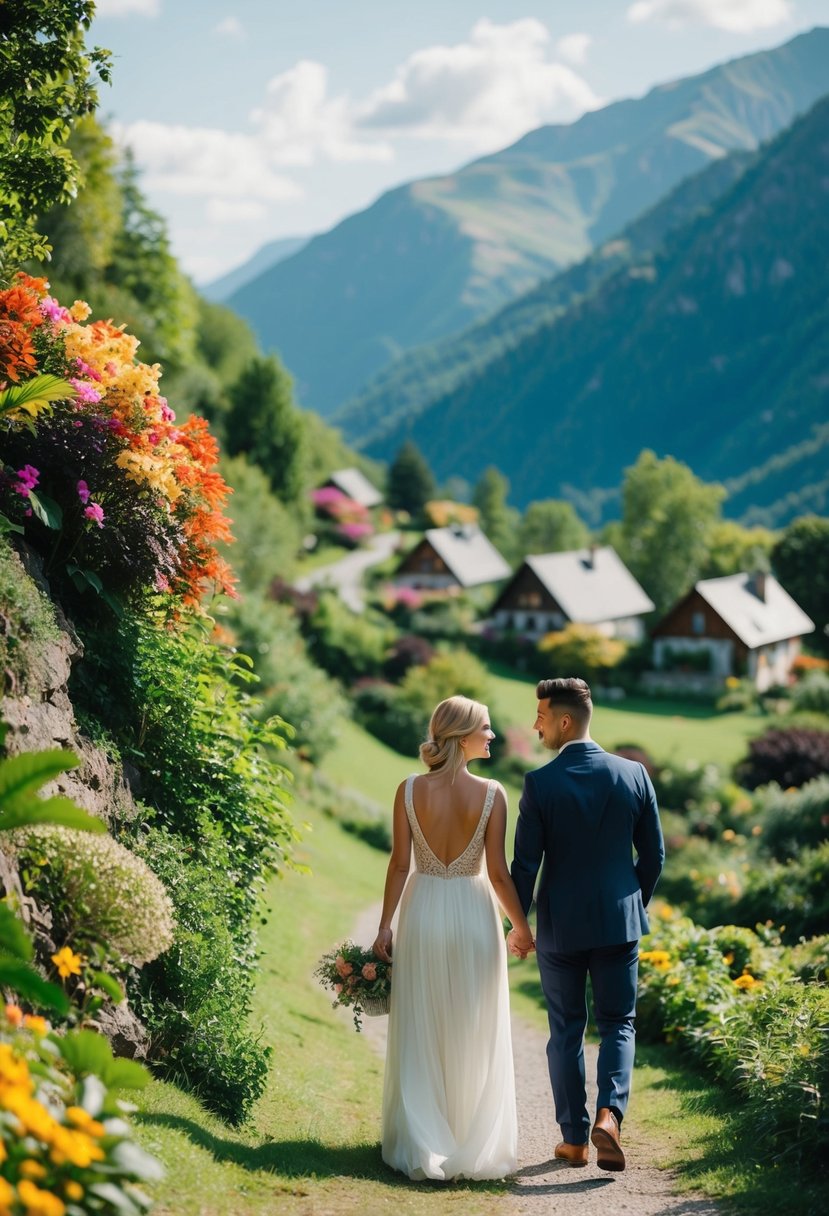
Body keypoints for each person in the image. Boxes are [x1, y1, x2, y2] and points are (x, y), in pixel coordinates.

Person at [372, 695, 534, 1181]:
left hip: (422, 909)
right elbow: (499, 874)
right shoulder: (492, 794)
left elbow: (399, 865)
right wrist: (521, 928)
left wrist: (385, 925)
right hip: (472, 912)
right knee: (472, 1025)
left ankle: (423, 1140)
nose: (493, 735)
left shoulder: (408, 790)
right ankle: (467, 1140)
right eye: (485, 727)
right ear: (462, 737)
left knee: (422, 1023)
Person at [509, 677, 664, 1172]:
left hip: (561, 927)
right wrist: (631, 905)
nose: (535, 726)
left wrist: (518, 925)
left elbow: (524, 867)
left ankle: (574, 1140)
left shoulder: (540, 783)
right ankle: (609, 1117)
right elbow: (654, 856)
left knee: (566, 1030)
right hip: (619, 923)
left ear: (564, 721)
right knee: (619, 1023)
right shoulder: (634, 775)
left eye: (540, 717)